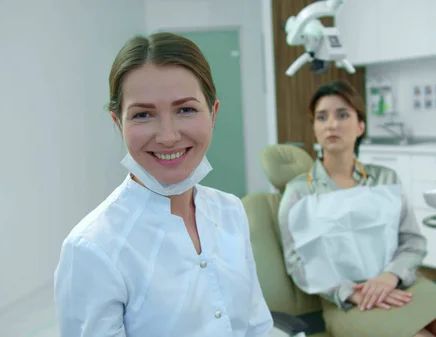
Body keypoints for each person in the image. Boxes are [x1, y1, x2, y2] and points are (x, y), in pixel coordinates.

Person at [53, 33, 274, 337]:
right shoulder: (93, 248)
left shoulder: (231, 211)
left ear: (213, 114)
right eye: (143, 115)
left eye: (185, 109)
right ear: (119, 123)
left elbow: (256, 327)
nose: (167, 136)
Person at [277, 80, 436, 337]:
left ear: (360, 126)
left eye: (342, 115)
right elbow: (298, 263)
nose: (331, 124)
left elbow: (413, 242)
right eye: (322, 117)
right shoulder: (299, 192)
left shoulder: (386, 179)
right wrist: (349, 293)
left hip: (402, 284)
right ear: (315, 128)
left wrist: (390, 277)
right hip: (350, 301)